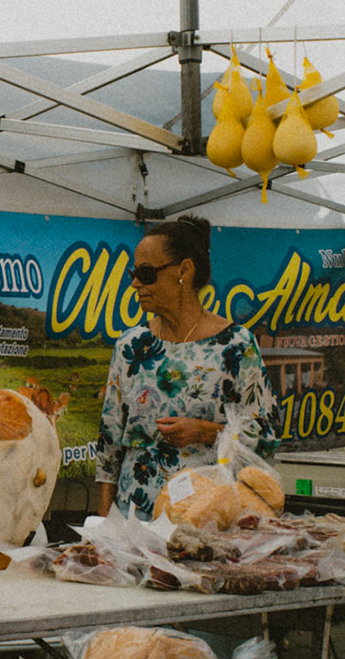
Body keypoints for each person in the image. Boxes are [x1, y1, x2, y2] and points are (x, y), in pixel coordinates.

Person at [94, 215, 281, 515]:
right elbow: (110, 444)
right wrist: (104, 522)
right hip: (135, 519)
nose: (135, 283)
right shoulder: (130, 346)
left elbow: (267, 434)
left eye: (146, 273)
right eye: (133, 273)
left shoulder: (235, 346)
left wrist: (206, 431)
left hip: (207, 517)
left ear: (184, 271)